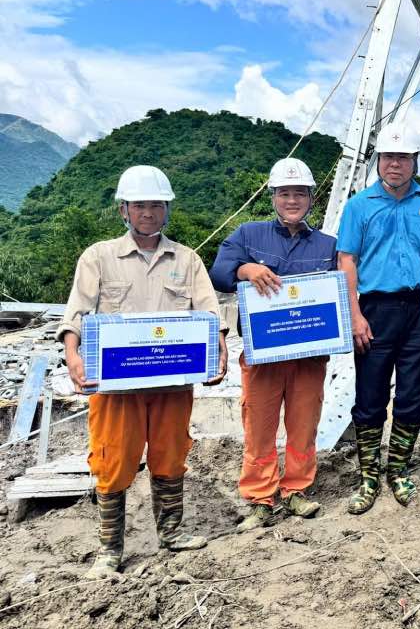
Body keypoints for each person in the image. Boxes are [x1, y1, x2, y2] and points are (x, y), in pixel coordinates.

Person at [58, 165, 227, 579]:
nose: (147, 212)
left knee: (171, 454)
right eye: (139, 205)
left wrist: (218, 347)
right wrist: (72, 354)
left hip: (171, 381)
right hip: (116, 386)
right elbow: (77, 312)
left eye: (155, 205)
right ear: (124, 210)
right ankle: (109, 549)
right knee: (112, 459)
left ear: (167, 209)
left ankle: (170, 533)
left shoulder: (186, 259)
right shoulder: (98, 257)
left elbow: (209, 312)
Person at [209, 158, 337, 532]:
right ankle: (261, 499)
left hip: (309, 357)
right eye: (285, 193)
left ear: (311, 198)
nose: (292, 200)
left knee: (303, 424)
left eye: (300, 193)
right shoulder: (249, 235)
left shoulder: (328, 245)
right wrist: (245, 270)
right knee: (259, 427)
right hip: (263, 355)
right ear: (274, 197)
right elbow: (219, 272)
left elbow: (340, 293)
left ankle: (296, 489)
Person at [337, 129, 420, 514]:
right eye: (388, 157)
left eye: (403, 158)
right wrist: (354, 314)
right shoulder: (358, 206)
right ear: (378, 161)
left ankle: (397, 469)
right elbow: (347, 261)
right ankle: (369, 476)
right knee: (370, 395)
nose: (395, 164)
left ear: (415, 161)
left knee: (413, 395)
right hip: (374, 309)